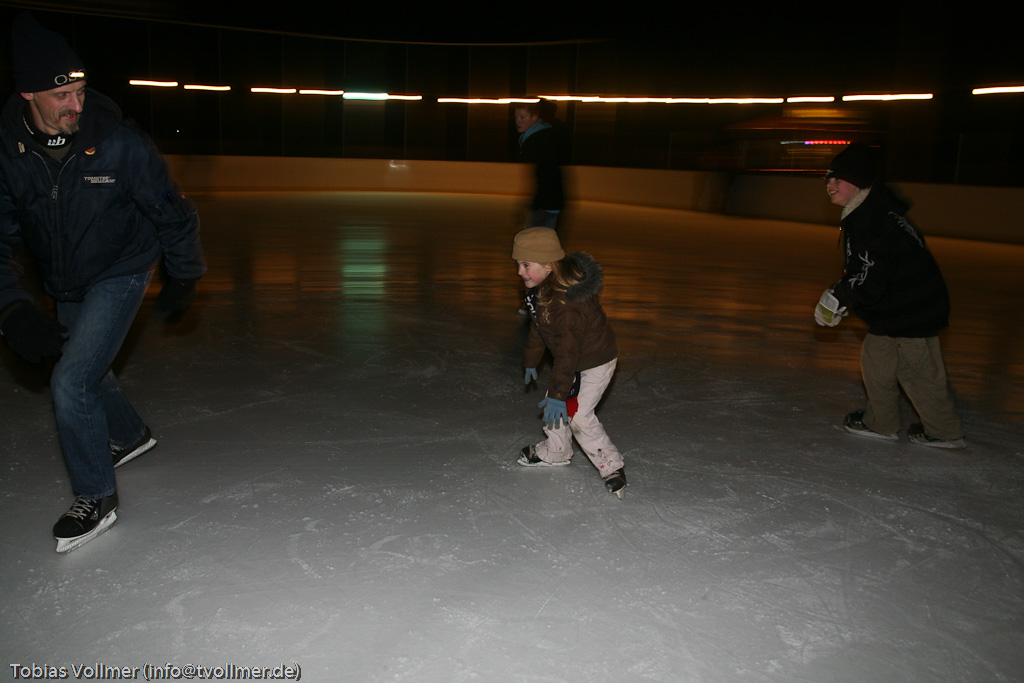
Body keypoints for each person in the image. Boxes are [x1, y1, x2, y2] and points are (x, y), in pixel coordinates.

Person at [0, 13, 206, 552]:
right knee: (87, 366)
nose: (76, 104)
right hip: (64, 278)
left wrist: (184, 271)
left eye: (80, 90)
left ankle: (96, 497)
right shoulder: (8, 151)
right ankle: (131, 435)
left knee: (71, 380)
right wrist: (11, 309)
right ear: (28, 94)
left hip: (122, 267)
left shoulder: (116, 140)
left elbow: (171, 210)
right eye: (61, 94)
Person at [814, 144, 964, 448]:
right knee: (877, 361)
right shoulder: (873, 209)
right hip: (897, 308)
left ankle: (943, 431)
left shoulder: (870, 219)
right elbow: (874, 269)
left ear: (858, 181)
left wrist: (839, 296)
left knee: (918, 371)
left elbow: (872, 274)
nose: (830, 184)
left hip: (911, 310)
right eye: (828, 178)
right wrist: (845, 292)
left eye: (838, 179)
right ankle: (880, 422)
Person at [512, 227, 626, 497]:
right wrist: (531, 360)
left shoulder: (568, 303)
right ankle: (557, 451)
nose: (519, 272)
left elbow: (568, 352)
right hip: (572, 359)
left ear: (548, 265)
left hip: (596, 360)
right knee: (555, 406)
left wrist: (558, 394)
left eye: (526, 265)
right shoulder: (540, 291)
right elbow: (538, 328)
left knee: (578, 415)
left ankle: (611, 466)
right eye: (517, 264)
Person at [513, 102, 564, 231]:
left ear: (534, 118)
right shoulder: (537, 136)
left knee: (534, 240)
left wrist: (533, 204)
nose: (518, 121)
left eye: (522, 117)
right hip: (547, 202)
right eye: (516, 117)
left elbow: (547, 174)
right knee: (536, 239)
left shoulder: (539, 140)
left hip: (547, 204)